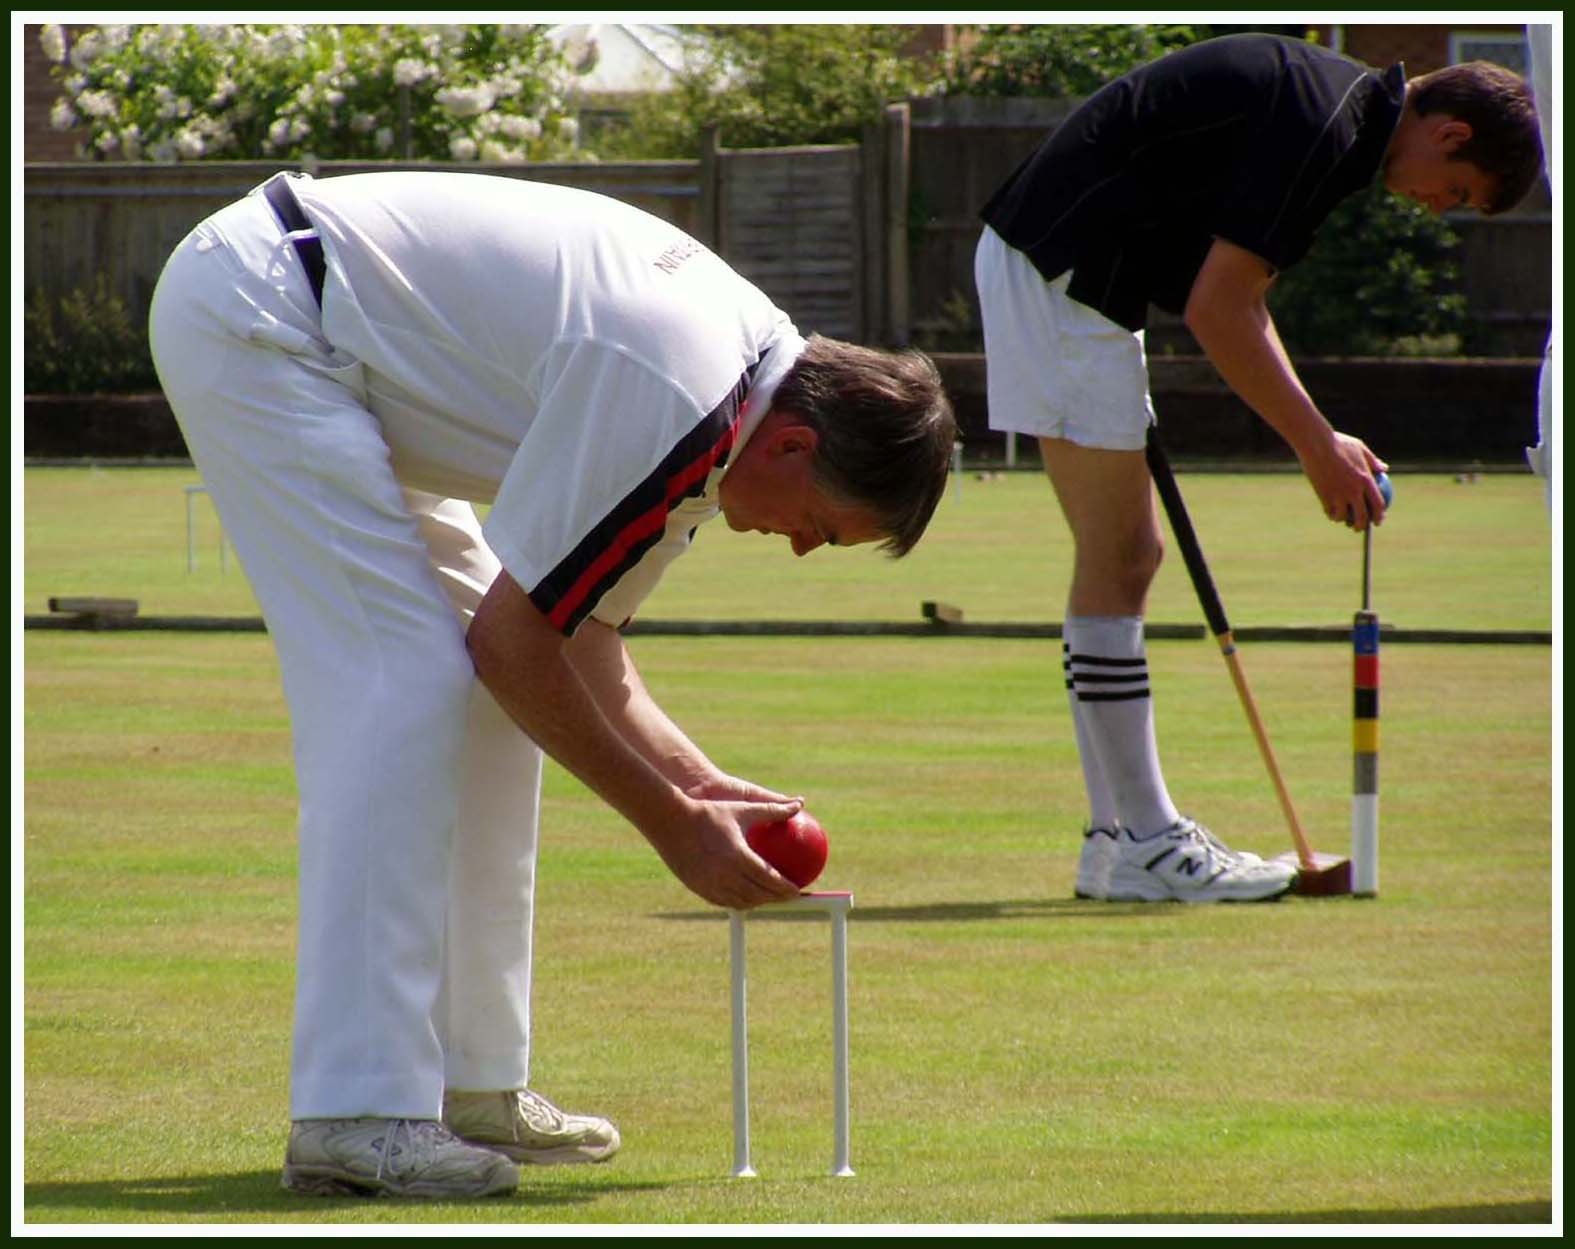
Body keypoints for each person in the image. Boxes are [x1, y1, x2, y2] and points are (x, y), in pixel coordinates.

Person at [148, 170, 955, 1198]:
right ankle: (356, 1107)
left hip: (343, 351)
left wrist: (703, 788)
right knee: (403, 680)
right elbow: (517, 643)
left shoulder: (732, 411)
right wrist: (670, 824)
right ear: (795, 445)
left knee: (481, 702)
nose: (802, 550)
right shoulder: (677, 391)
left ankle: (470, 1082)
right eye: (822, 526)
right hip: (267, 315)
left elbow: (584, 642)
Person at [973, 33, 1544, 903]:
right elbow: (1218, 309)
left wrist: (1323, 439)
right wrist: (1317, 446)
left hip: (1075, 274)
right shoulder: (1326, 124)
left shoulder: (1336, 117)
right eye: (1456, 193)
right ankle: (1146, 838)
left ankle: (1116, 839)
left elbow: (1237, 299)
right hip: (1064, 271)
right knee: (1124, 556)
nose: (1437, 207)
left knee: (1124, 557)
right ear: (1451, 134)